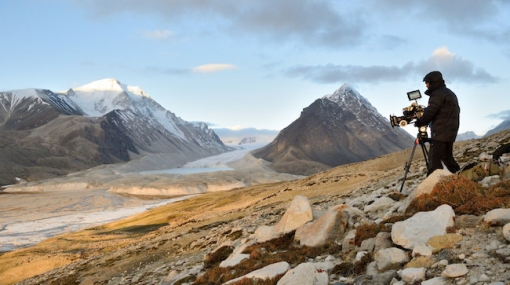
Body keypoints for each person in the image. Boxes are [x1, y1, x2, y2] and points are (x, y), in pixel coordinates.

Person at [415, 71, 461, 176]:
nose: (426, 85)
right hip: (450, 132)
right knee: (447, 157)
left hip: (441, 132)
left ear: (432, 82)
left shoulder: (437, 94)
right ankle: (459, 177)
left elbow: (431, 112)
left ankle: (433, 186)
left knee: (434, 160)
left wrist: (419, 122)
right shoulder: (448, 92)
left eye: (427, 83)